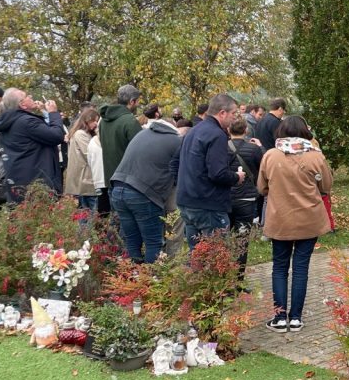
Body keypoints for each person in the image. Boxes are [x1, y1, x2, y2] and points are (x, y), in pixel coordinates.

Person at [257, 115, 333, 334]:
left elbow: (262, 187)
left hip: (280, 219)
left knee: (279, 267)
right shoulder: (316, 156)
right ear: (305, 132)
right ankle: (296, 318)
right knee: (301, 268)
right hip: (309, 219)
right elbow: (326, 186)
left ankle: (280, 317)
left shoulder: (271, 156)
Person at [171, 93, 246, 249]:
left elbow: (174, 163)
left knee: (196, 254)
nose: (234, 118)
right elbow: (218, 173)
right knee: (216, 255)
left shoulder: (193, 131)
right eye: (233, 113)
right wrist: (236, 177)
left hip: (187, 201)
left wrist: (184, 185)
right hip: (208, 205)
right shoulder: (217, 134)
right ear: (222, 113)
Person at [110, 116, 182, 263]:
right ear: (174, 127)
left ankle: (132, 274)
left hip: (118, 188)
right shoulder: (176, 141)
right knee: (153, 243)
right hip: (143, 194)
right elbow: (181, 171)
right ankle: (149, 276)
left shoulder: (142, 134)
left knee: (132, 240)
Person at [0, 89, 65, 202]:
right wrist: (53, 114)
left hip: (20, 178)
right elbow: (57, 136)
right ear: (22, 105)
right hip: (36, 181)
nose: (30, 96)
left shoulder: (11, 120)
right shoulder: (27, 122)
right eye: (26, 96)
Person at [227, 117, 263, 279]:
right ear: (246, 131)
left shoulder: (221, 148)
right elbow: (262, 167)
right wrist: (261, 147)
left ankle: (223, 277)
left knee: (222, 239)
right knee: (242, 240)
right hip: (246, 198)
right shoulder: (253, 149)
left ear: (228, 130)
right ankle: (238, 279)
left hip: (226, 197)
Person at [99, 84, 142, 182]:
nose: (138, 104)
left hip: (110, 179)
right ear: (132, 102)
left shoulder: (103, 121)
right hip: (128, 180)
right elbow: (141, 151)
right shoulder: (130, 121)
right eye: (137, 101)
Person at [64, 107, 100, 212]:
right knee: (91, 212)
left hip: (83, 180)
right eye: (94, 121)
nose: (96, 124)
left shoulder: (81, 133)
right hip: (85, 180)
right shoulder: (81, 134)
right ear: (87, 120)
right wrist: (98, 132)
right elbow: (90, 154)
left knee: (85, 212)